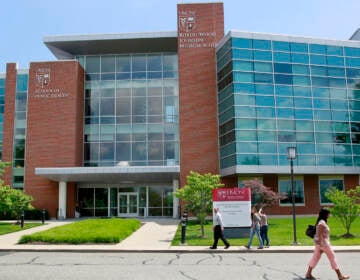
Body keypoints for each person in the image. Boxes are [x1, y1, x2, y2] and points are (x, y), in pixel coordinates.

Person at [305, 208, 350, 280]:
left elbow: (320, 235)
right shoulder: (321, 223)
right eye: (329, 213)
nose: (330, 215)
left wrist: (319, 246)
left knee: (315, 258)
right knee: (332, 258)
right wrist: (321, 246)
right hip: (324, 244)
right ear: (325, 214)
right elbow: (319, 235)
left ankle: (308, 274)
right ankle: (340, 276)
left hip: (320, 244)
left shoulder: (321, 222)